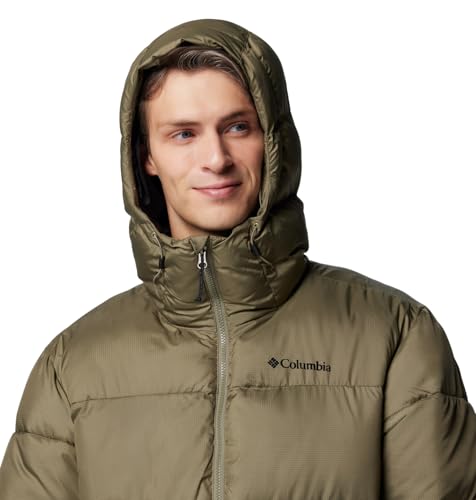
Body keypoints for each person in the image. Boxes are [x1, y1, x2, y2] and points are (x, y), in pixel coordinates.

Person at [0, 17, 475, 499]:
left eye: (238, 127)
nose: (216, 158)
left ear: (274, 141)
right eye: (184, 134)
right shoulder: (73, 365)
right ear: (146, 156)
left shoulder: (393, 336)